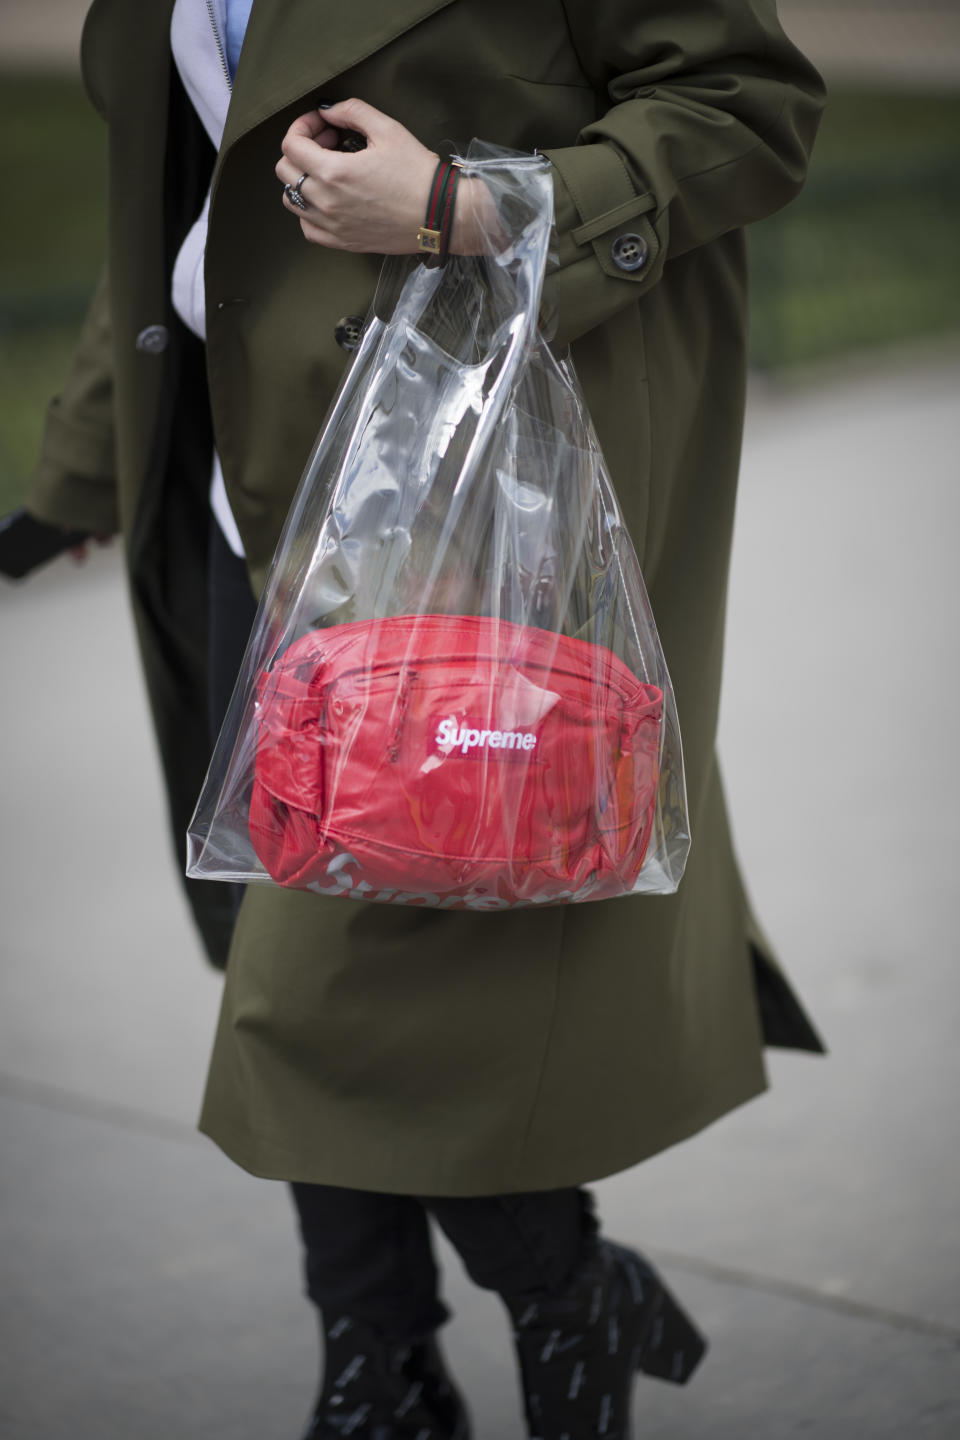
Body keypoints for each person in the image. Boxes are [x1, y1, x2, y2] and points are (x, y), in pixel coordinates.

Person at [27, 1, 826, 1435]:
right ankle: (386, 1369)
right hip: (245, 495)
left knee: (322, 994)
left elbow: (747, 105)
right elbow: (182, 190)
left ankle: (544, 1307)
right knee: (316, 952)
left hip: (468, 505)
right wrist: (85, 464)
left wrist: (479, 205)